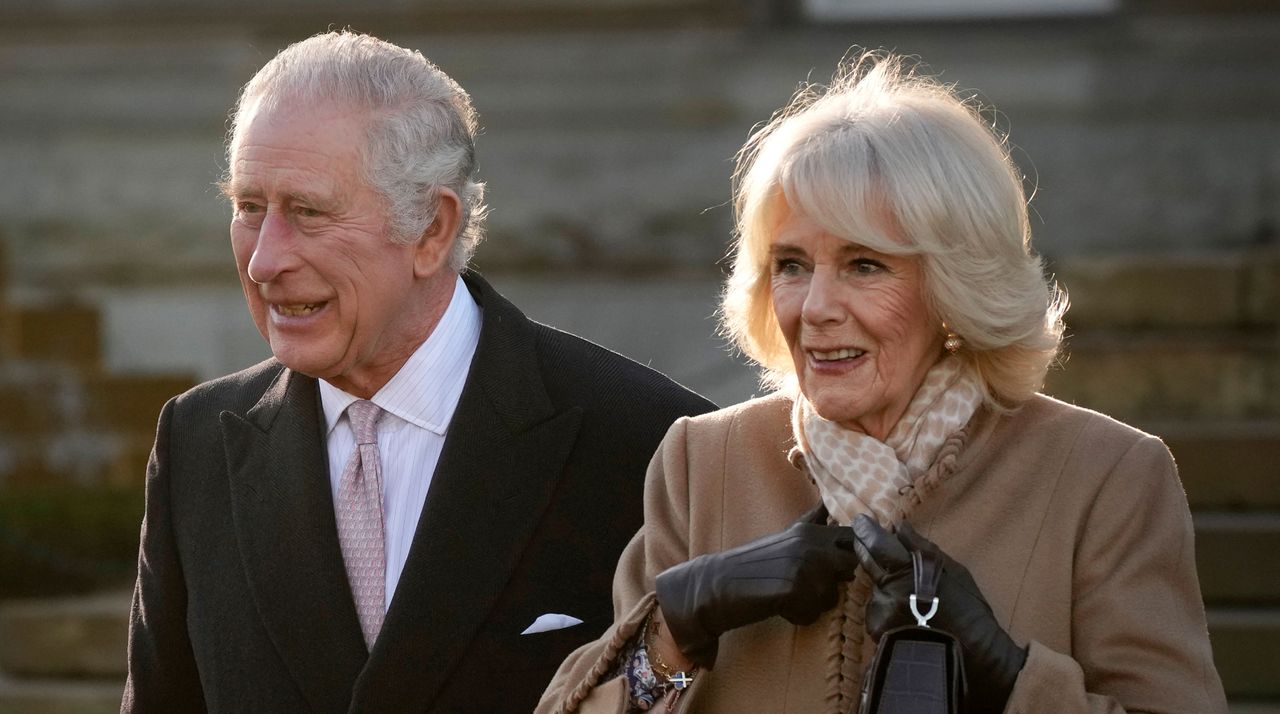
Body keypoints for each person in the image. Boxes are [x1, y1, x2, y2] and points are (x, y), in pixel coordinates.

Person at [539, 52, 1227, 713]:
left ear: (954, 287)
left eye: (865, 265)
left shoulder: (1103, 476)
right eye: (790, 264)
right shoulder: (702, 462)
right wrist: (679, 625)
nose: (815, 308)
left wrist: (1010, 674)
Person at [120, 30, 714, 713]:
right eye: (249, 208)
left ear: (433, 229)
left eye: (308, 212)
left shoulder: (654, 444)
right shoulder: (197, 444)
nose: (264, 261)